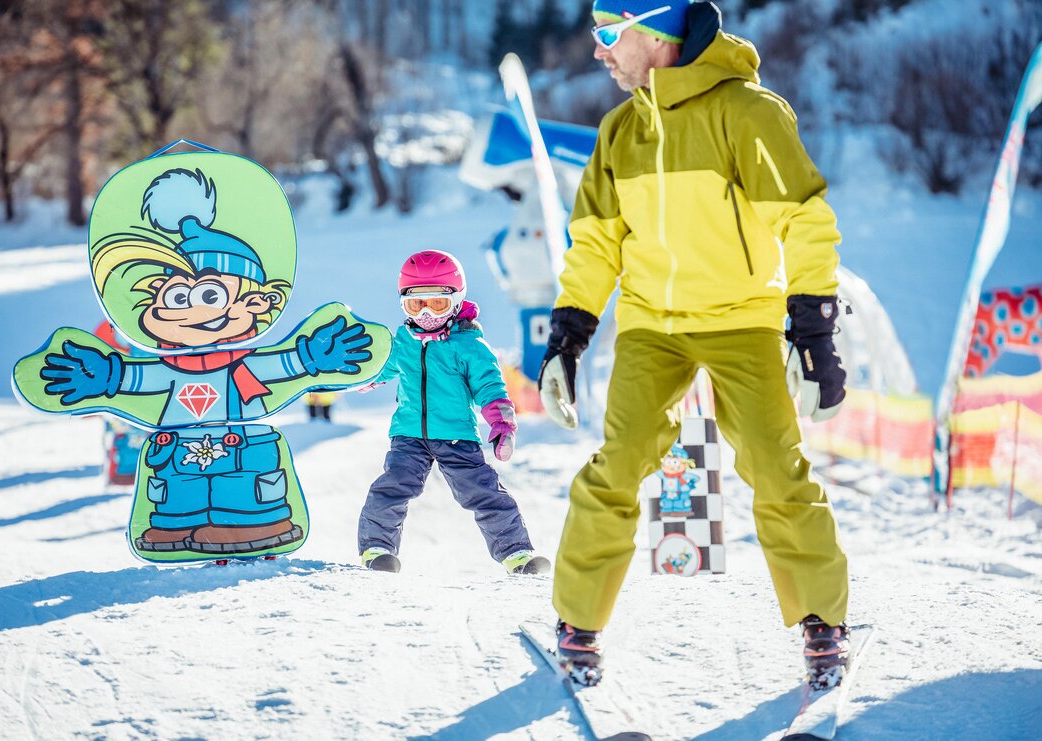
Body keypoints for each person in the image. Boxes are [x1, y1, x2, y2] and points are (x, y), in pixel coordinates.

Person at [537, 0, 851, 688]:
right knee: (617, 463)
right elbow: (594, 243)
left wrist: (814, 325)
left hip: (742, 318)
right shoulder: (621, 130)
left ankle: (823, 619)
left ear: (651, 35)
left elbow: (803, 219)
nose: (598, 52)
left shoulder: (748, 113)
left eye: (607, 35)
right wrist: (569, 333)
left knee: (775, 465)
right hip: (654, 326)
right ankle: (578, 619)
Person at [357, 250, 550, 575]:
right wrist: (362, 376)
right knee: (392, 487)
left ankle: (517, 554)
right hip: (409, 436)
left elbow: (490, 386)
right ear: (403, 303)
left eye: (439, 304)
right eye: (417, 305)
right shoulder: (402, 341)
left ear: (457, 302)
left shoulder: (470, 346)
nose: (428, 313)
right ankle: (377, 550)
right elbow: (383, 366)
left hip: (457, 436)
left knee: (484, 492)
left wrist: (501, 424)